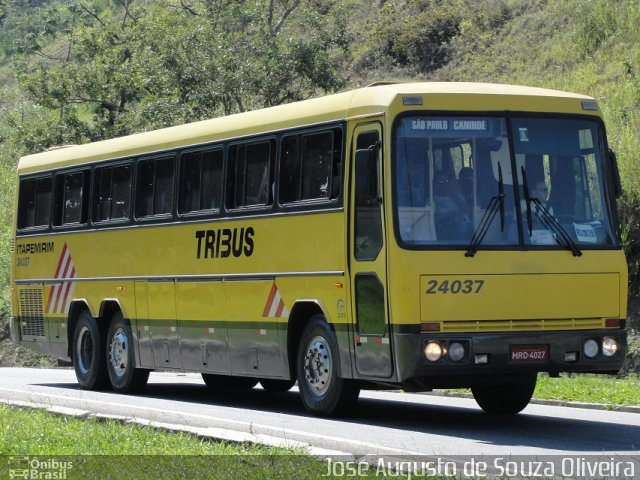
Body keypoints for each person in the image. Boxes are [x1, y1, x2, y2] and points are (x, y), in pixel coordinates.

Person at [433, 173, 473, 241]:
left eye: (447, 181)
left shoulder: (458, 196)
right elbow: (433, 219)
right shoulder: (432, 200)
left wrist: (451, 194)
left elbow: (468, 211)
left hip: (467, 228)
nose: (444, 184)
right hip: (445, 228)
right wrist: (451, 215)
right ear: (435, 184)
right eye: (441, 182)